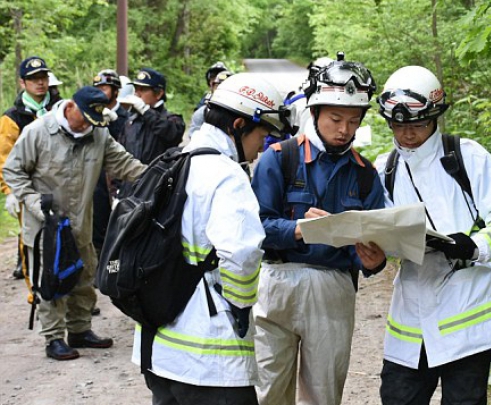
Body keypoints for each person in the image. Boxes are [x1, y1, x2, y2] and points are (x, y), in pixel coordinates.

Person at [373, 66, 491, 405]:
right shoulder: (384, 168)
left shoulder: (467, 156)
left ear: (435, 117)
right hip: (411, 320)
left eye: (416, 125)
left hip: (468, 317)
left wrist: (476, 246)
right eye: (399, 126)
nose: (408, 134)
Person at [133, 73, 292, 405]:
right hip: (209, 358)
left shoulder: (173, 161)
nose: (261, 147)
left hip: (158, 350)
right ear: (238, 125)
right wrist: (239, 308)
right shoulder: (227, 175)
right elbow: (242, 254)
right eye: (261, 135)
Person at [250, 56, 388, 405]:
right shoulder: (279, 158)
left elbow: (378, 240)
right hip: (276, 283)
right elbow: (255, 229)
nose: (344, 129)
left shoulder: (365, 174)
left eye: (353, 121)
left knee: (324, 394)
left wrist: (374, 261)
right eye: (336, 119)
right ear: (314, 113)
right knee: (267, 391)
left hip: (333, 288)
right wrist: (299, 229)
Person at [3, 86, 146, 361]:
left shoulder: (98, 133)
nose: (89, 127)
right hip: (47, 226)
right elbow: (13, 169)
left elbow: (124, 164)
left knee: (84, 275)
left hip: (81, 222)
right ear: (70, 107)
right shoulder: (38, 132)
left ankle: (80, 330)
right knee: (52, 279)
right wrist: (33, 203)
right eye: (86, 119)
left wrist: (158, 175)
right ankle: (54, 338)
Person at [0, 56, 62, 280]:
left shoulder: (61, 109)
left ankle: (68, 293)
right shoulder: (12, 118)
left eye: (43, 77)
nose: (40, 83)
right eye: (33, 79)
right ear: (22, 83)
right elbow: (4, 158)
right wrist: (11, 191)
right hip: (28, 189)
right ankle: (36, 291)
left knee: (68, 238)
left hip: (62, 184)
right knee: (32, 241)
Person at [117, 67, 185, 196]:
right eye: (136, 89)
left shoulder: (172, 120)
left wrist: (145, 111)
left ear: (158, 93)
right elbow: (119, 156)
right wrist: (117, 191)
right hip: (129, 193)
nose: (137, 93)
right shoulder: (131, 121)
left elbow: (171, 134)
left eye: (143, 89)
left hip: (156, 192)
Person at [91, 69, 129, 258]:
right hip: (97, 177)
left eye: (104, 87)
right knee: (96, 222)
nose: (100, 92)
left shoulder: (126, 116)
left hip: (119, 176)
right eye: (97, 87)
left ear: (115, 91)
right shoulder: (92, 115)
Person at [187, 69, 232, 139]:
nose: (223, 92)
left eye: (228, 88)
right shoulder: (202, 113)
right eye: (219, 87)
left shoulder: (242, 115)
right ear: (212, 88)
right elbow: (194, 140)